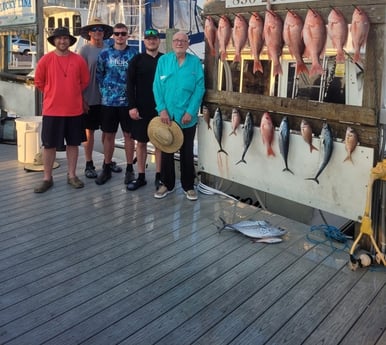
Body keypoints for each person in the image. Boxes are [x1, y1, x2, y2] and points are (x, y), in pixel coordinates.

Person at [33, 27, 90, 193]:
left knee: (73, 144)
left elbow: (84, 81)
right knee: (49, 145)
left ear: (70, 41)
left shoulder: (78, 60)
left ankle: (71, 175)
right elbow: (39, 82)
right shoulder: (45, 60)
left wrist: (71, 91)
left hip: (74, 110)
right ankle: (47, 178)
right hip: (52, 111)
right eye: (59, 38)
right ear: (54, 41)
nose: (62, 41)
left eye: (65, 38)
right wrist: (53, 92)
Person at [152, 31, 205, 201]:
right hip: (167, 116)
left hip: (187, 117)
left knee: (187, 152)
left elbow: (199, 89)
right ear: (172, 43)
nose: (179, 43)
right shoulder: (163, 61)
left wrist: (191, 111)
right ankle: (167, 184)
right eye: (176, 40)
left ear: (188, 43)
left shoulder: (195, 63)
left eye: (183, 40)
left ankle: (188, 186)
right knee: (167, 150)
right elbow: (157, 87)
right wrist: (162, 109)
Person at [78, 18, 123, 178]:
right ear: (89, 33)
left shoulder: (110, 48)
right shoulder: (84, 51)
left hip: (108, 99)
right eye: (94, 29)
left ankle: (107, 161)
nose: (98, 32)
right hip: (90, 97)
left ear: (104, 34)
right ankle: (89, 164)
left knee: (107, 132)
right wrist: (81, 99)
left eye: (101, 29)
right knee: (89, 132)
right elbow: (78, 77)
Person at [95, 23, 138, 185]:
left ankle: (129, 169)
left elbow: (137, 78)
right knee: (109, 136)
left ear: (128, 35)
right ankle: (106, 167)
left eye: (123, 33)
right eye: (117, 33)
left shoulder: (134, 54)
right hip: (108, 103)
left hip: (128, 103)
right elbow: (99, 74)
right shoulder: (105, 54)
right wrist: (106, 91)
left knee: (128, 136)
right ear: (112, 35)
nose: (120, 36)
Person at [126, 28, 163, 191]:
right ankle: (141, 176)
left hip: (160, 109)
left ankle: (159, 176)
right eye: (148, 39)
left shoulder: (165, 60)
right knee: (140, 143)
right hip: (141, 109)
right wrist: (132, 106)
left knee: (159, 143)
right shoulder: (136, 60)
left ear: (159, 41)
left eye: (154, 38)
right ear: (144, 41)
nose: (152, 41)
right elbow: (129, 85)